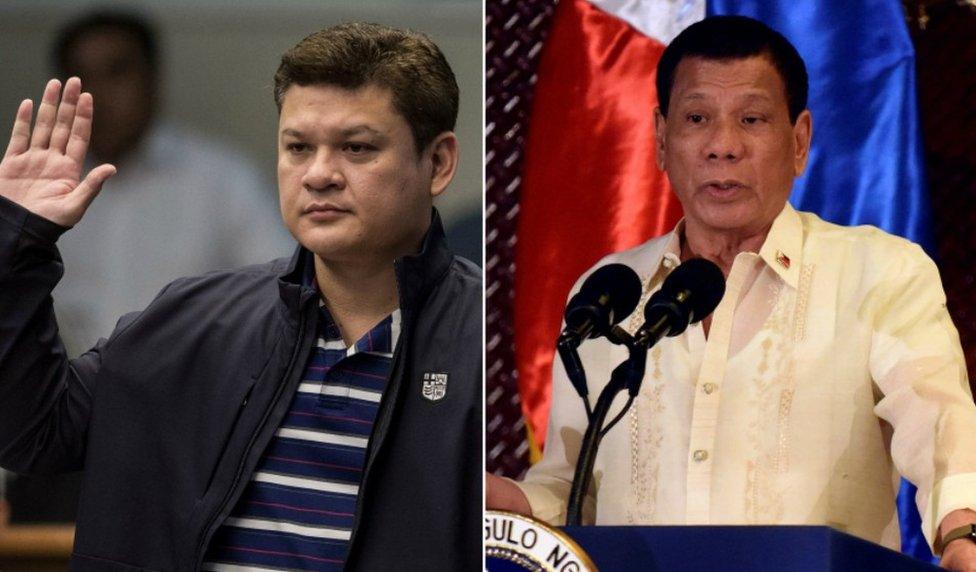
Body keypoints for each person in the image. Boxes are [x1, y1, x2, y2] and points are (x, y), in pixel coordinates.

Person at [487, 15, 976, 571]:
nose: (724, 146)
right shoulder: (609, 292)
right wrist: (510, 503)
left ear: (799, 142)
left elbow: (939, 424)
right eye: (697, 118)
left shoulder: (878, 272)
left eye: (752, 118)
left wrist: (965, 531)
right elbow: (574, 487)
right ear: (662, 141)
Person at [0, 22, 481, 571]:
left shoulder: (494, 343)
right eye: (298, 147)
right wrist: (17, 242)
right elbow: (33, 432)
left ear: (438, 164)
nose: (319, 174)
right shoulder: (191, 319)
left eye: (357, 147)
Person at [49, 10, 291, 356]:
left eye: (116, 72)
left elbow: (282, 293)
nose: (97, 94)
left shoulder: (223, 179)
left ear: (152, 79)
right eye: (81, 78)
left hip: (193, 391)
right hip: (62, 395)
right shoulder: (38, 193)